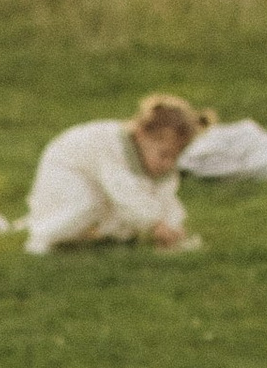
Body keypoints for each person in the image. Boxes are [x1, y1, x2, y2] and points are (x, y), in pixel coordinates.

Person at [22, 95, 213, 255]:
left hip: (95, 177)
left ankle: (91, 238)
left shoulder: (158, 162)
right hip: (66, 169)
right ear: (140, 134)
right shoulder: (113, 147)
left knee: (121, 225)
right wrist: (155, 224)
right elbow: (124, 192)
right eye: (164, 154)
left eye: (176, 156)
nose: (169, 163)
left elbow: (165, 197)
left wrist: (173, 226)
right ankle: (41, 240)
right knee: (86, 205)